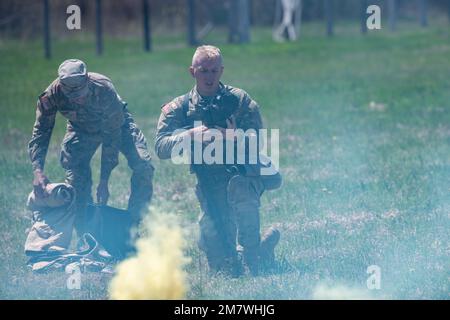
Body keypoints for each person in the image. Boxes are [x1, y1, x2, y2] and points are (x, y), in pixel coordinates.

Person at [155, 45, 281, 276]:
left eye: (214, 71)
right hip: (209, 184)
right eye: (203, 71)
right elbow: (161, 147)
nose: (209, 77)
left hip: (240, 176)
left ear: (221, 71)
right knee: (223, 267)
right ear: (192, 72)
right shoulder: (180, 108)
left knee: (242, 196)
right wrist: (189, 136)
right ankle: (254, 252)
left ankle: (255, 253)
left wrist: (234, 137)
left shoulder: (239, 100)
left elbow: (259, 141)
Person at [29, 59, 154, 237]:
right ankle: (86, 234)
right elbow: (41, 132)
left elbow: (112, 136)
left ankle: (131, 227)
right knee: (76, 177)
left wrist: (104, 181)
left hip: (119, 125)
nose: (78, 98)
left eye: (81, 92)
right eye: (72, 96)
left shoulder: (104, 88)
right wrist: (38, 171)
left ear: (87, 80)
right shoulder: (51, 96)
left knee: (143, 166)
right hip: (81, 129)